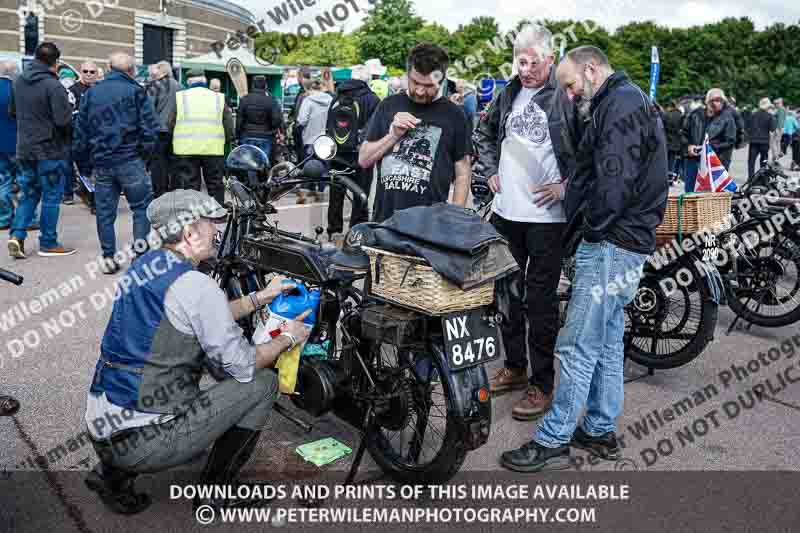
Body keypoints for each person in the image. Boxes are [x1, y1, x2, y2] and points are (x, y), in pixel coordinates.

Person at [83, 189, 311, 515]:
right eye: (210, 224)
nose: (217, 231)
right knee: (262, 384)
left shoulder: (143, 265)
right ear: (189, 233)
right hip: (143, 443)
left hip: (104, 428)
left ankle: (111, 475)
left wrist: (261, 297)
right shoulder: (195, 285)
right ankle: (213, 495)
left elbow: (202, 314)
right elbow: (243, 365)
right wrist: (287, 339)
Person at [500, 45, 667, 473]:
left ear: (592, 70)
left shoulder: (621, 104)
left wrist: (590, 231)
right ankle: (597, 428)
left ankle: (553, 439)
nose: (570, 95)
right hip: (622, 243)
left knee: (575, 345)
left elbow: (614, 183)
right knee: (607, 341)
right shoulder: (624, 101)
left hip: (611, 243)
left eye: (571, 85)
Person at [473, 24, 573, 420]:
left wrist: (565, 187)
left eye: (534, 60)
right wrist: (488, 168)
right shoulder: (509, 92)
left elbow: (588, 150)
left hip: (547, 221)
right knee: (507, 296)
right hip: (505, 214)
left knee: (540, 302)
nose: (526, 67)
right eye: (521, 60)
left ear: (550, 59)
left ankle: (542, 383)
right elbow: (482, 132)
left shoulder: (564, 98)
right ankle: (515, 367)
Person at [359, 42, 472, 222]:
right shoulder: (387, 106)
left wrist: (455, 217)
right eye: (415, 82)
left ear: (442, 80)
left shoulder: (454, 114)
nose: (420, 91)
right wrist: (393, 135)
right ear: (407, 75)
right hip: (386, 222)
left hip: (430, 227)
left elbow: (463, 172)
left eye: (428, 85)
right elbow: (364, 160)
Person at [73, 52, 159, 274]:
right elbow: (151, 130)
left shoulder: (93, 93)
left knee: (105, 212)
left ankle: (109, 258)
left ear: (109, 67)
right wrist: (143, 158)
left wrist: (84, 165)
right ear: (130, 71)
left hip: (103, 161)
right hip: (130, 160)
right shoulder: (137, 92)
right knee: (140, 208)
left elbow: (80, 132)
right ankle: (139, 258)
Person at [7, 42, 76, 259]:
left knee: (29, 193)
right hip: (49, 149)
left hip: (25, 148)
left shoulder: (18, 81)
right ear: (55, 63)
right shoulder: (53, 86)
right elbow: (63, 121)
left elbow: (13, 112)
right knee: (51, 196)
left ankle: (16, 235)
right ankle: (48, 243)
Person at [325, 70, 380, 239]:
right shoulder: (372, 99)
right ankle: (356, 232)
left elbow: (329, 124)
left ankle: (334, 230)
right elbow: (375, 128)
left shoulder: (337, 96)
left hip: (337, 153)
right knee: (361, 194)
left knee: (336, 194)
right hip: (361, 154)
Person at [168, 69, 234, 206]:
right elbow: (228, 124)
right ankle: (217, 213)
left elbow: (170, 122)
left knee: (190, 184)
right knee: (215, 183)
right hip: (213, 148)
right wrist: (226, 140)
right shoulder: (218, 97)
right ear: (205, 81)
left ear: (188, 82)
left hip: (186, 148)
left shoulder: (180, 97)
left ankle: (193, 215)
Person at [681, 88, 736, 192]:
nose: (717, 103)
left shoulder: (727, 118)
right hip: (694, 160)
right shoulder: (695, 114)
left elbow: (730, 141)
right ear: (708, 101)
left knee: (710, 196)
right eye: (714, 100)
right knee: (690, 192)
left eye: (720, 100)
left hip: (715, 162)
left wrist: (708, 148)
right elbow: (683, 133)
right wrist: (688, 146)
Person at [65, 62, 99, 205]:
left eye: (92, 72)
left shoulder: (100, 89)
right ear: (80, 72)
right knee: (72, 164)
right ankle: (69, 193)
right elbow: (67, 112)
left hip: (95, 135)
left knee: (90, 167)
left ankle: (89, 194)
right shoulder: (72, 90)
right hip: (77, 133)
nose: (88, 74)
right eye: (85, 71)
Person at [145, 61, 180, 199]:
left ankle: (159, 192)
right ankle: (174, 190)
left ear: (163, 71)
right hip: (175, 130)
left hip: (158, 130)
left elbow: (148, 110)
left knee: (158, 163)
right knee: (174, 162)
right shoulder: (180, 86)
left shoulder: (155, 87)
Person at [295, 77, 332, 204]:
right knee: (323, 167)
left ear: (310, 88)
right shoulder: (331, 100)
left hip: (310, 138)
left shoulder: (308, 101)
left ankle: (305, 194)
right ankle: (321, 192)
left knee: (309, 166)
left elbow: (302, 120)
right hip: (326, 140)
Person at [236, 75, 283, 167]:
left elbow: (239, 120)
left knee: (247, 163)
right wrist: (272, 129)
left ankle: (249, 179)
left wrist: (237, 135)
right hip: (266, 136)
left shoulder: (244, 99)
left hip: (247, 135)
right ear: (265, 86)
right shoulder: (272, 100)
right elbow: (277, 120)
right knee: (265, 163)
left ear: (253, 85)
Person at [0, 60, 18, 231]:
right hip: (17, 143)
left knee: (3, 182)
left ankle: (4, 217)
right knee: (25, 182)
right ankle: (28, 218)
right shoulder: (18, 90)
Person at [748, 97, 777, 179]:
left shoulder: (753, 115)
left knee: (751, 161)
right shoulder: (770, 116)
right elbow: (772, 130)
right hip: (764, 142)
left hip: (753, 141)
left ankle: (750, 178)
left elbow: (748, 127)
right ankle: (763, 178)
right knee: (763, 161)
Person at [663, 101, 684, 179]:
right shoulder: (680, 115)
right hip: (676, 141)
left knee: (665, 160)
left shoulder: (666, 115)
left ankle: (664, 177)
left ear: (669, 107)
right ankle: (670, 177)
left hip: (667, 141)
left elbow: (663, 128)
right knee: (673, 160)